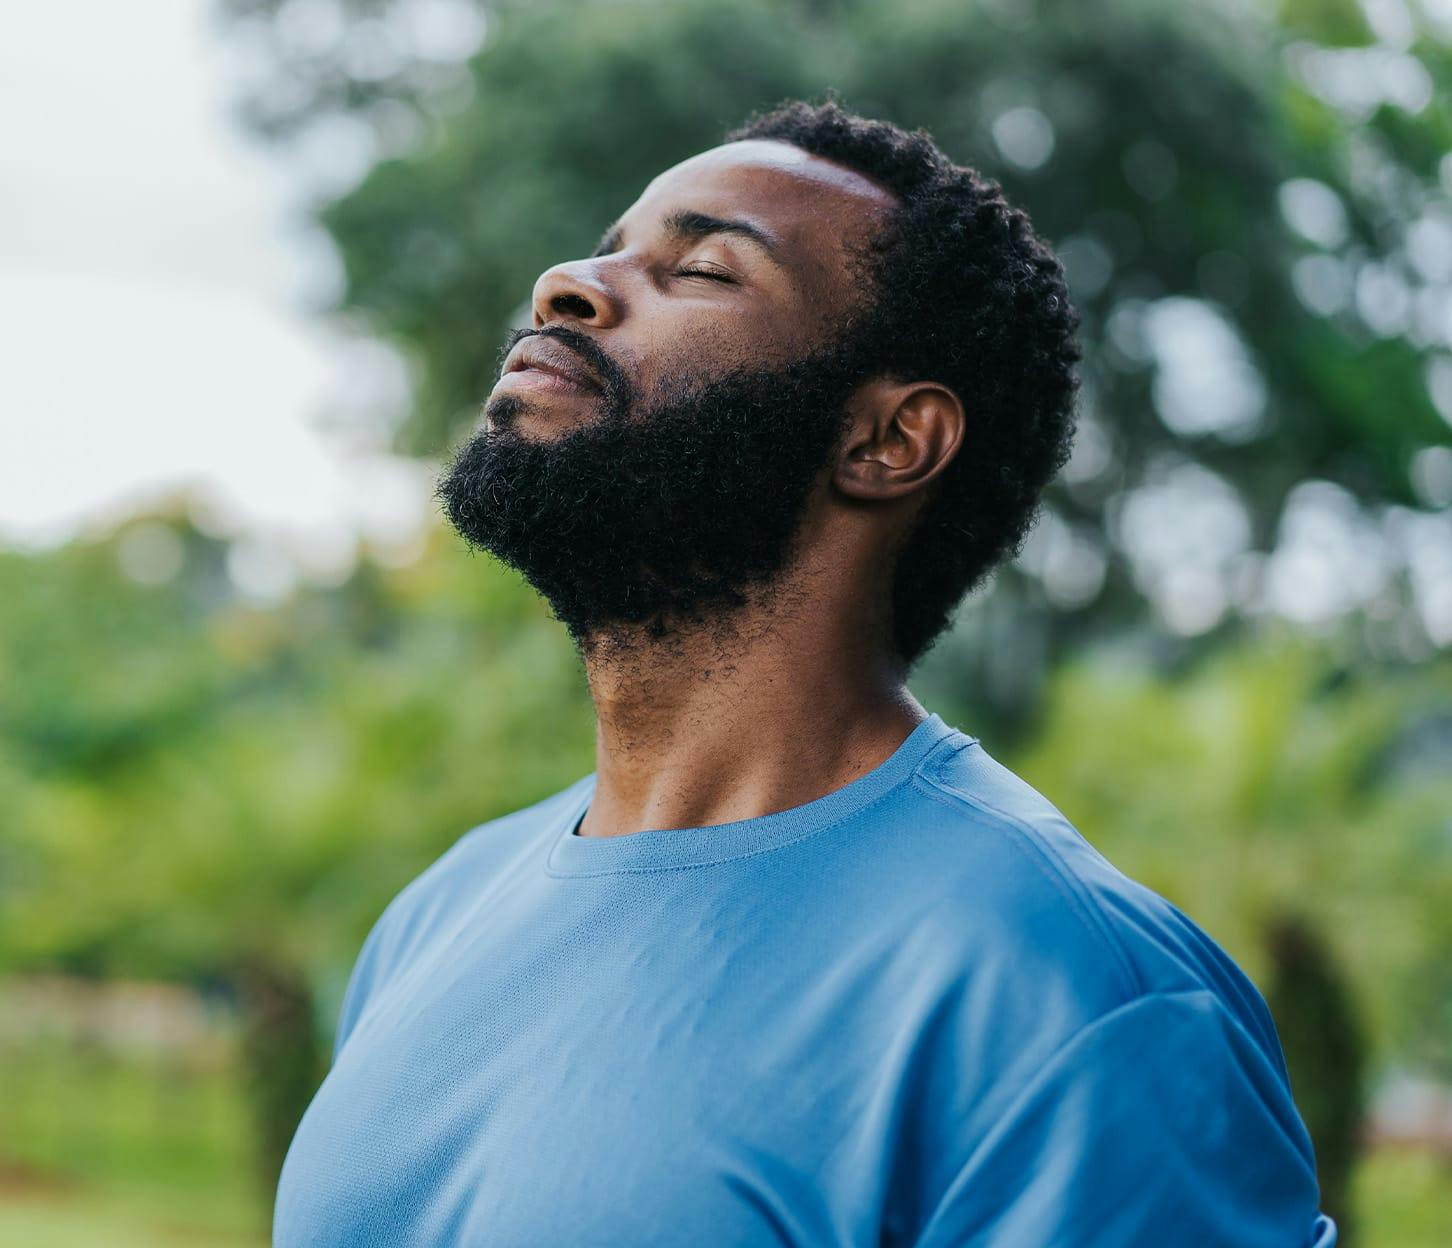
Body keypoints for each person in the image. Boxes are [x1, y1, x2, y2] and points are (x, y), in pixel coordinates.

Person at [273, 97, 1336, 1246]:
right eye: (610, 244)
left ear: (888, 442)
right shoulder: (439, 917)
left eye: (704, 270)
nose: (568, 285)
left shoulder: (1074, 996)